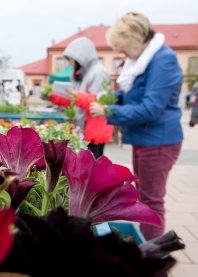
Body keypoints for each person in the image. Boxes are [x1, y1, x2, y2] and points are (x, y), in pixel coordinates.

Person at [90, 12, 183, 240]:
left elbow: (151, 107)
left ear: (135, 39)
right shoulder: (146, 59)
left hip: (158, 141)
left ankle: (153, 253)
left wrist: (107, 111)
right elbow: (136, 94)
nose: (122, 53)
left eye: (123, 48)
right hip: (147, 139)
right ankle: (148, 246)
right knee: (145, 197)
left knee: (152, 201)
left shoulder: (163, 60)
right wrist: (110, 98)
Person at [49, 37, 114, 158]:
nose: (71, 63)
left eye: (72, 60)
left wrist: (75, 95)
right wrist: (53, 97)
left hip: (95, 130)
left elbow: (97, 102)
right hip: (87, 127)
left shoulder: (98, 72)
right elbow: (75, 100)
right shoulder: (85, 72)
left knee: (93, 168)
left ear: (81, 56)